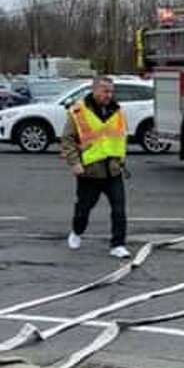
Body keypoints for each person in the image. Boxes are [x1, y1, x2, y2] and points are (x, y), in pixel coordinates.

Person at [61, 75, 131, 258]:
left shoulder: (117, 111)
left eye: (111, 91)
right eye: (105, 91)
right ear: (94, 90)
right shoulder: (78, 112)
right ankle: (77, 231)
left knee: (119, 209)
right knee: (84, 208)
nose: (109, 95)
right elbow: (67, 140)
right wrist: (75, 162)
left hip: (113, 169)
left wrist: (122, 160)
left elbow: (121, 137)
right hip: (90, 170)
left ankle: (118, 244)